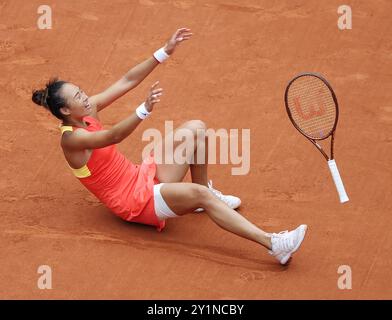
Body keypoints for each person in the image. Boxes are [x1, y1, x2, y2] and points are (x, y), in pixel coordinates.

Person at [32, 28, 307, 265]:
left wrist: (164, 51)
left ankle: (204, 195)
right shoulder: (71, 139)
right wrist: (143, 110)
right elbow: (114, 136)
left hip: (141, 177)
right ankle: (273, 244)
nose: (85, 96)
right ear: (66, 109)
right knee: (199, 194)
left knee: (196, 129)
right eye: (78, 96)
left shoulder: (87, 111)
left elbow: (127, 80)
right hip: (135, 202)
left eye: (81, 90)